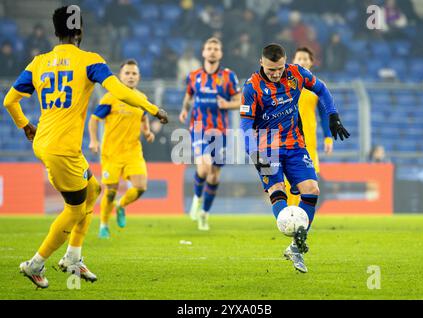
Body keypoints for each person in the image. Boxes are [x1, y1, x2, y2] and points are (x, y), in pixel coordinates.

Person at [2, 6, 168, 289]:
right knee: (75, 209)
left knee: (93, 191)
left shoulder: (38, 62)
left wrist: (25, 125)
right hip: (62, 149)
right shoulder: (89, 61)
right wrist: (152, 108)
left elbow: (9, 100)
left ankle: (73, 258)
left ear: (56, 32)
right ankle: (35, 264)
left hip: (47, 140)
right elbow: (119, 91)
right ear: (80, 32)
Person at [239, 44, 349, 273]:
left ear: (285, 62)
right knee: (277, 189)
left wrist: (333, 115)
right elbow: (245, 125)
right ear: (261, 62)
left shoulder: (297, 73)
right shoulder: (251, 88)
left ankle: (294, 246)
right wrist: (253, 153)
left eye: (279, 68)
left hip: (296, 145)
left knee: (312, 190)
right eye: (271, 70)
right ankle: (293, 229)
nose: (276, 74)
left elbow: (322, 89)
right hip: (266, 147)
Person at [88, 59, 156, 239]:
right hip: (111, 153)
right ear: (120, 76)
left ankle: (121, 205)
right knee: (110, 192)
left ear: (139, 77)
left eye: (134, 73)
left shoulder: (141, 99)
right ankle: (103, 225)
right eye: (127, 73)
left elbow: (143, 117)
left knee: (140, 187)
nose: (131, 76)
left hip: (133, 152)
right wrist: (94, 141)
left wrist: (147, 132)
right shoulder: (110, 97)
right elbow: (94, 119)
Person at [179, 37, 241, 231]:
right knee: (204, 166)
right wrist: (184, 109)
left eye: (216, 48)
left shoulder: (228, 76)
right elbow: (189, 96)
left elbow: (239, 101)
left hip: (220, 131)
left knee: (214, 176)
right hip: (198, 127)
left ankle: (204, 213)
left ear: (220, 54)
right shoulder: (194, 75)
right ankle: (197, 198)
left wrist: (227, 104)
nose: (212, 51)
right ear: (203, 53)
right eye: (209, 48)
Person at [285, 47, 334, 206]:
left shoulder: (317, 87)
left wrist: (328, 137)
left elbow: (324, 114)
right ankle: (291, 214)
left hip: (309, 143)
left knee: (310, 182)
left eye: (306, 58)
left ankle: (302, 216)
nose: (302, 61)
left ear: (312, 62)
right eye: (299, 58)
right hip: (287, 140)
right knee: (288, 182)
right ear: (293, 61)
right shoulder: (285, 85)